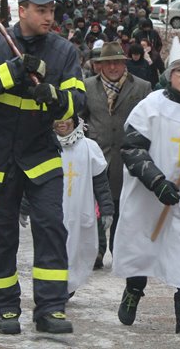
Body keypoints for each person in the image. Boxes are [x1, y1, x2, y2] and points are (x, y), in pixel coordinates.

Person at [0, 0, 86, 336]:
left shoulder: (64, 52)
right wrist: (17, 69)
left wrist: (55, 99)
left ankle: (50, 308)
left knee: (51, 226)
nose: (49, 17)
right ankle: (5, 307)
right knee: (1, 236)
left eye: (52, 11)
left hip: (41, 155)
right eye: (42, 10)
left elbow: (77, 102)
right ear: (22, 10)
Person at [113, 35, 180, 337]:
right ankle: (134, 290)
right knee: (143, 241)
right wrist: (156, 181)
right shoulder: (151, 104)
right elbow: (132, 149)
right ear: (170, 74)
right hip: (151, 192)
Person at [82, 41, 151, 269]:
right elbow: (79, 119)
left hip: (127, 159)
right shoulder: (86, 87)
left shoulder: (142, 87)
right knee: (96, 207)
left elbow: (150, 122)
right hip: (97, 157)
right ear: (99, 65)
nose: (113, 67)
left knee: (123, 208)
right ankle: (97, 251)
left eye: (117, 63)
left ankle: (118, 249)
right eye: (108, 63)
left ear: (124, 64)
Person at [52, 116, 114, 295]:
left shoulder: (89, 147)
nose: (61, 123)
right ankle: (58, 286)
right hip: (54, 210)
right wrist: (25, 206)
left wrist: (107, 209)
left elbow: (100, 182)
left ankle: (70, 284)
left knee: (78, 248)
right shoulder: (47, 146)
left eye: (66, 119)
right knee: (55, 248)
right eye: (58, 119)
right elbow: (35, 179)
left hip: (80, 210)